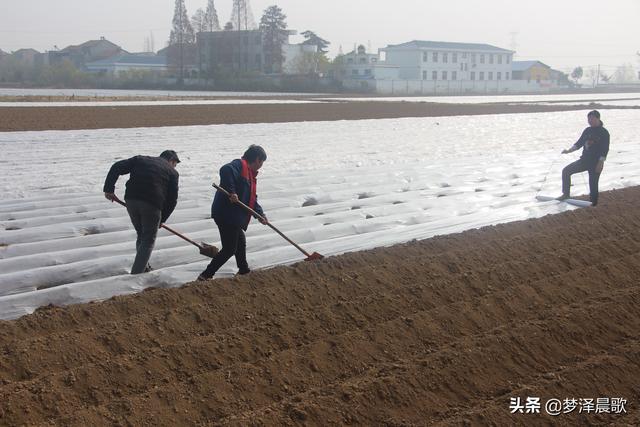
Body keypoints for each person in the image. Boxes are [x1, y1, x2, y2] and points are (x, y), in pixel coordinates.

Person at [198, 145, 268, 281]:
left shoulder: (250, 174)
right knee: (230, 248)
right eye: (262, 162)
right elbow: (225, 169)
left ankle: (243, 270)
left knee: (240, 242)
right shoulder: (239, 165)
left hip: (233, 217)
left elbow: (251, 199)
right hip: (226, 214)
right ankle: (206, 275)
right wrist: (232, 191)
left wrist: (260, 214)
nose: (261, 166)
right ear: (257, 159)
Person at [103, 150, 180, 274]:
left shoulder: (141, 159)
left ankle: (144, 266)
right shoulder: (172, 172)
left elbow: (116, 166)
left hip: (131, 200)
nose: (174, 167)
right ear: (172, 160)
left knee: (141, 234)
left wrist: (109, 189)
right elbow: (172, 200)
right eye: (175, 164)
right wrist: (163, 219)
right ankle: (136, 275)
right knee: (148, 239)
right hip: (152, 204)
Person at [558, 110, 610, 206]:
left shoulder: (604, 132)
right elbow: (579, 143)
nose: (590, 121)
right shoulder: (587, 130)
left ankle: (593, 204)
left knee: (593, 184)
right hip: (584, 160)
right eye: (588, 119)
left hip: (596, 163)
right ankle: (565, 194)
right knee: (566, 171)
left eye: (592, 119)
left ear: (598, 118)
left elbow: (605, 149)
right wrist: (569, 150)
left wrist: (601, 162)